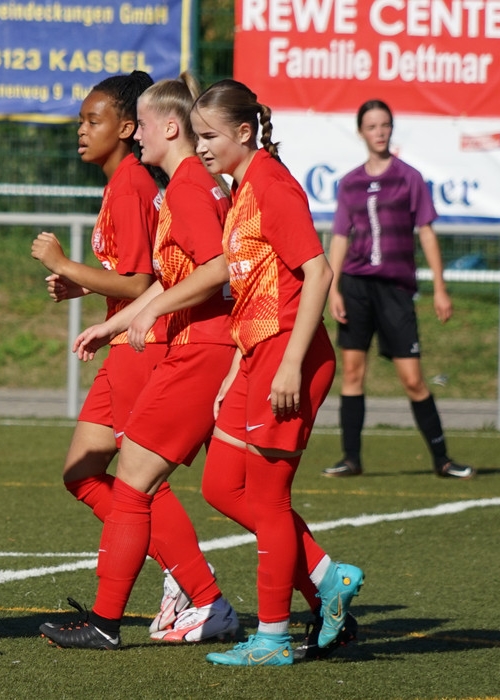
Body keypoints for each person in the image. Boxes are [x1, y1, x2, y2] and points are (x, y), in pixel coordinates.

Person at [38, 74, 239, 650]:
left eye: (93, 120)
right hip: (134, 338)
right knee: (85, 473)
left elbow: (145, 280)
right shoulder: (140, 183)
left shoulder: (134, 184)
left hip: (152, 345)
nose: (82, 130)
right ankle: (182, 574)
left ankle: (192, 584)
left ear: (131, 129)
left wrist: (67, 266)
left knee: (140, 482)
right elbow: (151, 275)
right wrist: (92, 296)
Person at [186, 79, 364, 667]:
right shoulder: (244, 187)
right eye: (196, 135)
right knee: (221, 486)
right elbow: (258, 289)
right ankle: (327, 576)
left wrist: (289, 363)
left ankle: (272, 638)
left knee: (268, 500)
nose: (200, 146)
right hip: (257, 357)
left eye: (209, 135)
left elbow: (318, 274)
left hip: (289, 357)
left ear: (244, 132)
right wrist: (236, 367)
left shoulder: (272, 185)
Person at [323, 99, 474, 480]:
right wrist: (333, 287)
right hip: (356, 287)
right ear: (361, 132)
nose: (379, 132)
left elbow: (426, 232)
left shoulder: (409, 177)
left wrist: (439, 287)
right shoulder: (351, 182)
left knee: (412, 378)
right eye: (372, 126)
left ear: (391, 129)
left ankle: (442, 459)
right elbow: (340, 236)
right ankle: (351, 458)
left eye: (385, 125)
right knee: (352, 372)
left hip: (395, 290)